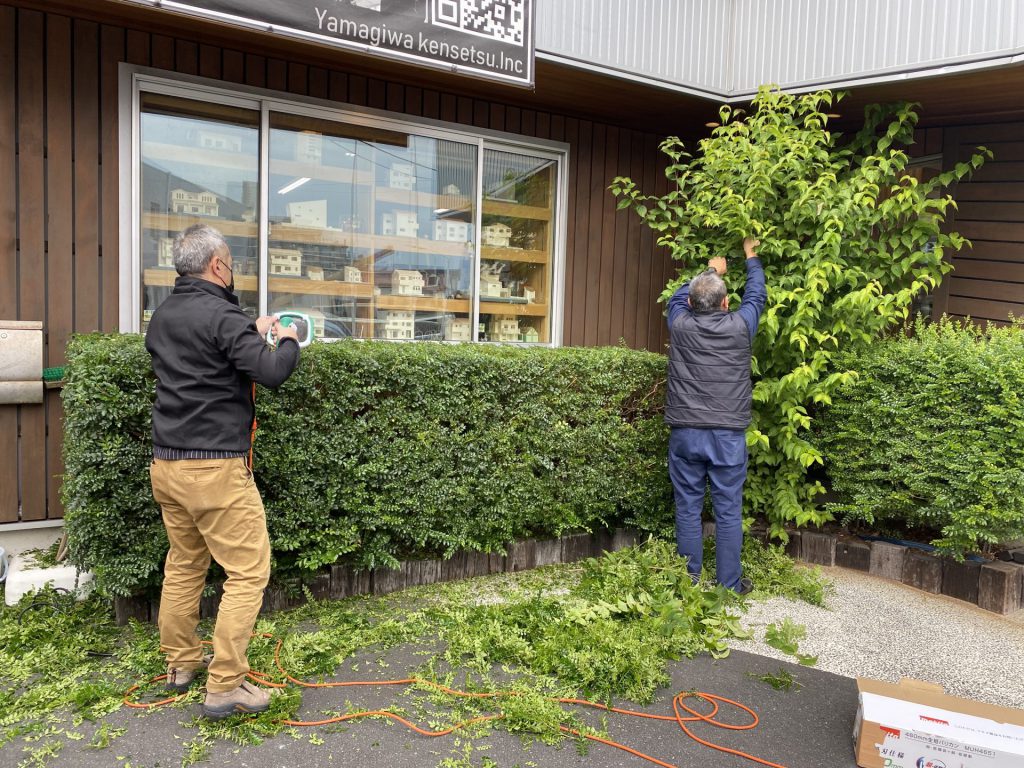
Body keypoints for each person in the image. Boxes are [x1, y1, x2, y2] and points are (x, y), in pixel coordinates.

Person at [145, 224, 300, 719]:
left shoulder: (163, 315)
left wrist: (247, 334)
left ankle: (180, 665)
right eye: (230, 263)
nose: (231, 271)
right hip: (214, 470)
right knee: (248, 572)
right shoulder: (224, 315)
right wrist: (289, 339)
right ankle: (226, 685)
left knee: (184, 565)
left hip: (167, 465)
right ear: (217, 266)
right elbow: (272, 372)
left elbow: (203, 361)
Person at [665, 237, 766, 594]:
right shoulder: (740, 326)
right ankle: (729, 585)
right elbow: (756, 297)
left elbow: (677, 297)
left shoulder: (679, 323)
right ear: (726, 304)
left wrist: (711, 269)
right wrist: (751, 257)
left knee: (688, 508)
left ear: (692, 304)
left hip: (686, 433)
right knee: (727, 510)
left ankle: (687, 583)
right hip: (727, 435)